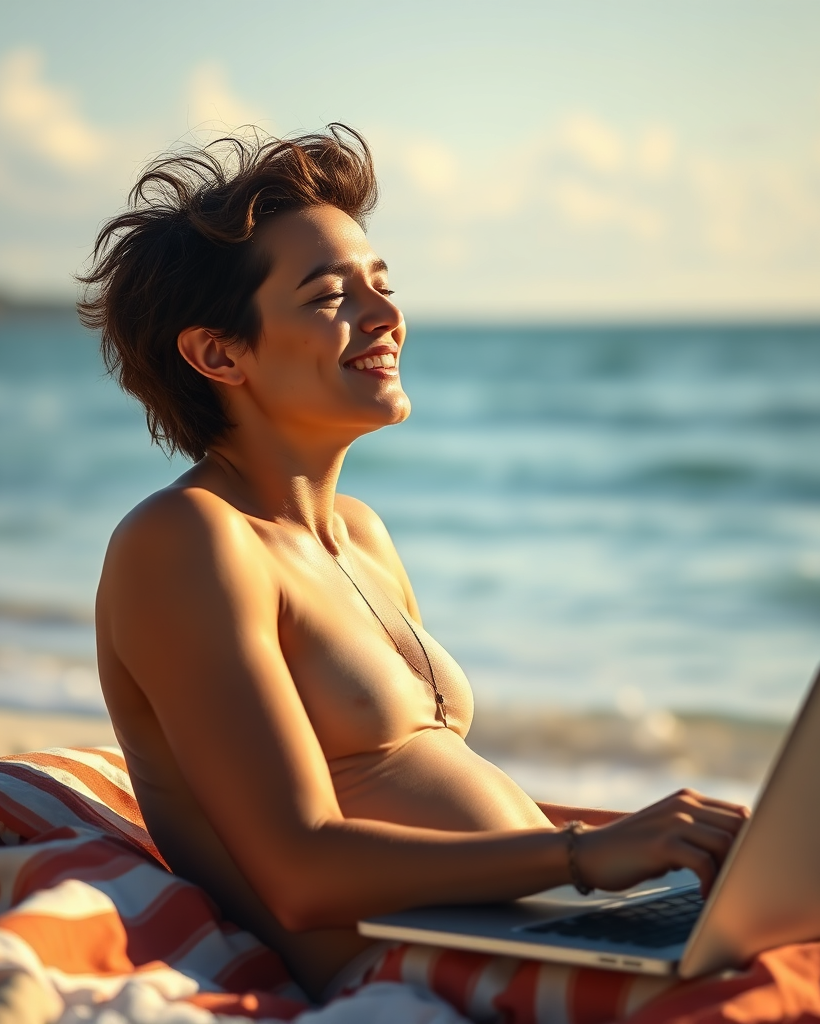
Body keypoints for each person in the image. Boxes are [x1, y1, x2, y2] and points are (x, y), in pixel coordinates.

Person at [78, 125, 748, 1008]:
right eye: (329, 297)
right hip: (405, 971)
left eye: (383, 286)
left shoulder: (361, 534)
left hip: (538, 929)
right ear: (219, 353)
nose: (386, 316)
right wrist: (586, 859)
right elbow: (301, 869)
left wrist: (648, 847)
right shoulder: (188, 541)